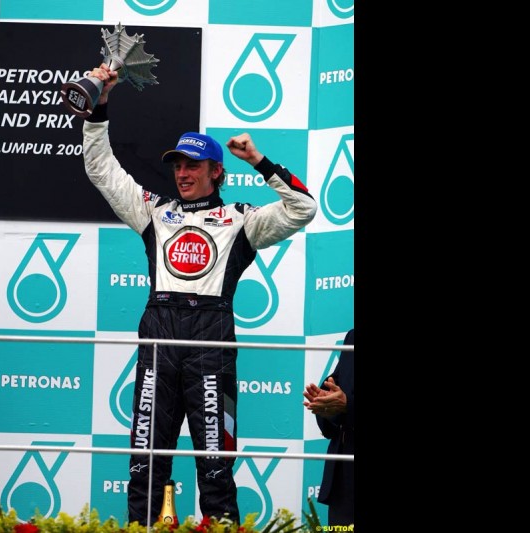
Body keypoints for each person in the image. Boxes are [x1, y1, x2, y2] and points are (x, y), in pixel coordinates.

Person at [81, 63, 318, 526]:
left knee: (215, 460)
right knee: (145, 457)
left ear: (216, 171)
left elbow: (304, 207)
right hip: (160, 333)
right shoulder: (155, 211)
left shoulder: (242, 218)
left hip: (211, 336)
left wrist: (260, 161)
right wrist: (100, 106)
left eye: (193, 165)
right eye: (178, 166)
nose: (183, 173)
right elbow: (101, 169)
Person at [302, 328, 354, 526]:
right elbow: (338, 387)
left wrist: (348, 405)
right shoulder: (352, 336)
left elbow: (348, 402)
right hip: (345, 479)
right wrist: (326, 403)